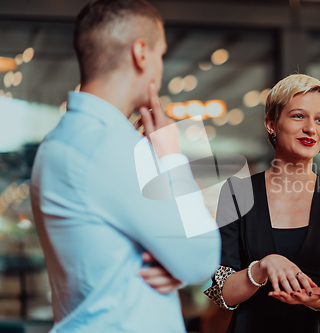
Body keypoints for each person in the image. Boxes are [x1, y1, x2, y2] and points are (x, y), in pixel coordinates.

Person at [30, 1, 221, 332]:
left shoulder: (60, 141)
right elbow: (203, 258)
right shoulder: (112, 146)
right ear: (141, 53)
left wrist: (175, 261)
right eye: (161, 54)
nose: (159, 68)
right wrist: (172, 157)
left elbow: (119, 252)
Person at [204, 74, 320, 333]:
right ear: (271, 123)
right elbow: (223, 294)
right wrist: (262, 266)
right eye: (298, 116)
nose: (311, 128)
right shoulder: (238, 192)